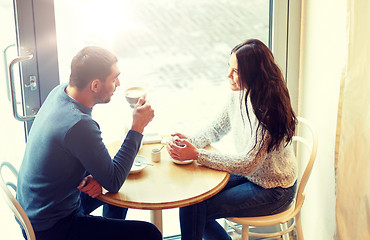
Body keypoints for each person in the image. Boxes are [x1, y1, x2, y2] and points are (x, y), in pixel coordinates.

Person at [16, 46, 162, 240]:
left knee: (115, 191)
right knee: (149, 234)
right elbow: (114, 182)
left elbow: (72, 153)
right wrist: (138, 127)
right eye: (113, 79)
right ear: (95, 85)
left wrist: (97, 176)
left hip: (36, 209)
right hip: (53, 227)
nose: (118, 84)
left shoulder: (60, 93)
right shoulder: (79, 124)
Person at [166, 39, 298, 240]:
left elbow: (247, 163)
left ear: (254, 74)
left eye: (235, 71)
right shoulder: (240, 94)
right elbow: (217, 128)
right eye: (230, 67)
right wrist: (190, 141)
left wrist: (196, 154)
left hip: (274, 189)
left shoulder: (268, 110)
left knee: (195, 210)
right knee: (191, 201)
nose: (228, 75)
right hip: (253, 175)